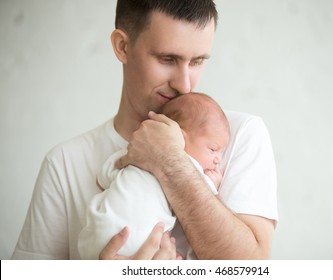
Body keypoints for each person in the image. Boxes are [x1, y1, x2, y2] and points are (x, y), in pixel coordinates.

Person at [12, 0, 278, 260]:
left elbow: (250, 266)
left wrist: (169, 160)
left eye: (197, 61)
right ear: (122, 46)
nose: (184, 85)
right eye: (167, 59)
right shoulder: (64, 164)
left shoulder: (237, 136)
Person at [78, 92, 230, 259]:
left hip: (94, 234)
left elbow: (104, 177)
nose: (218, 159)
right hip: (137, 241)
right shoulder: (189, 166)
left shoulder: (133, 151)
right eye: (213, 149)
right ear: (181, 138)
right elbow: (201, 197)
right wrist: (213, 183)